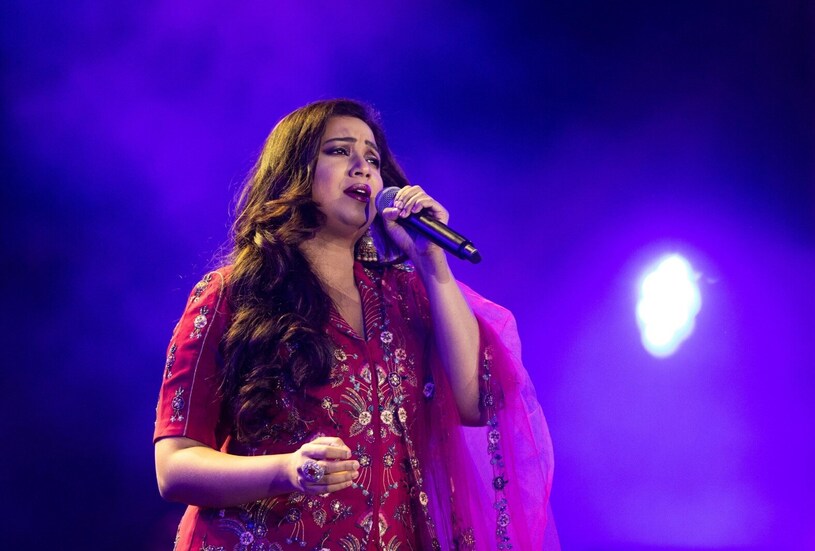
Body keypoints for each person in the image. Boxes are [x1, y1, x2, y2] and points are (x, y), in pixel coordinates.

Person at [154, 99, 557, 550]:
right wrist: (287, 470)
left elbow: (476, 403)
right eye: (340, 151)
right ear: (293, 172)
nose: (362, 167)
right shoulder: (232, 294)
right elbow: (174, 467)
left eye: (373, 159)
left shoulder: (407, 296)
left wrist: (432, 260)